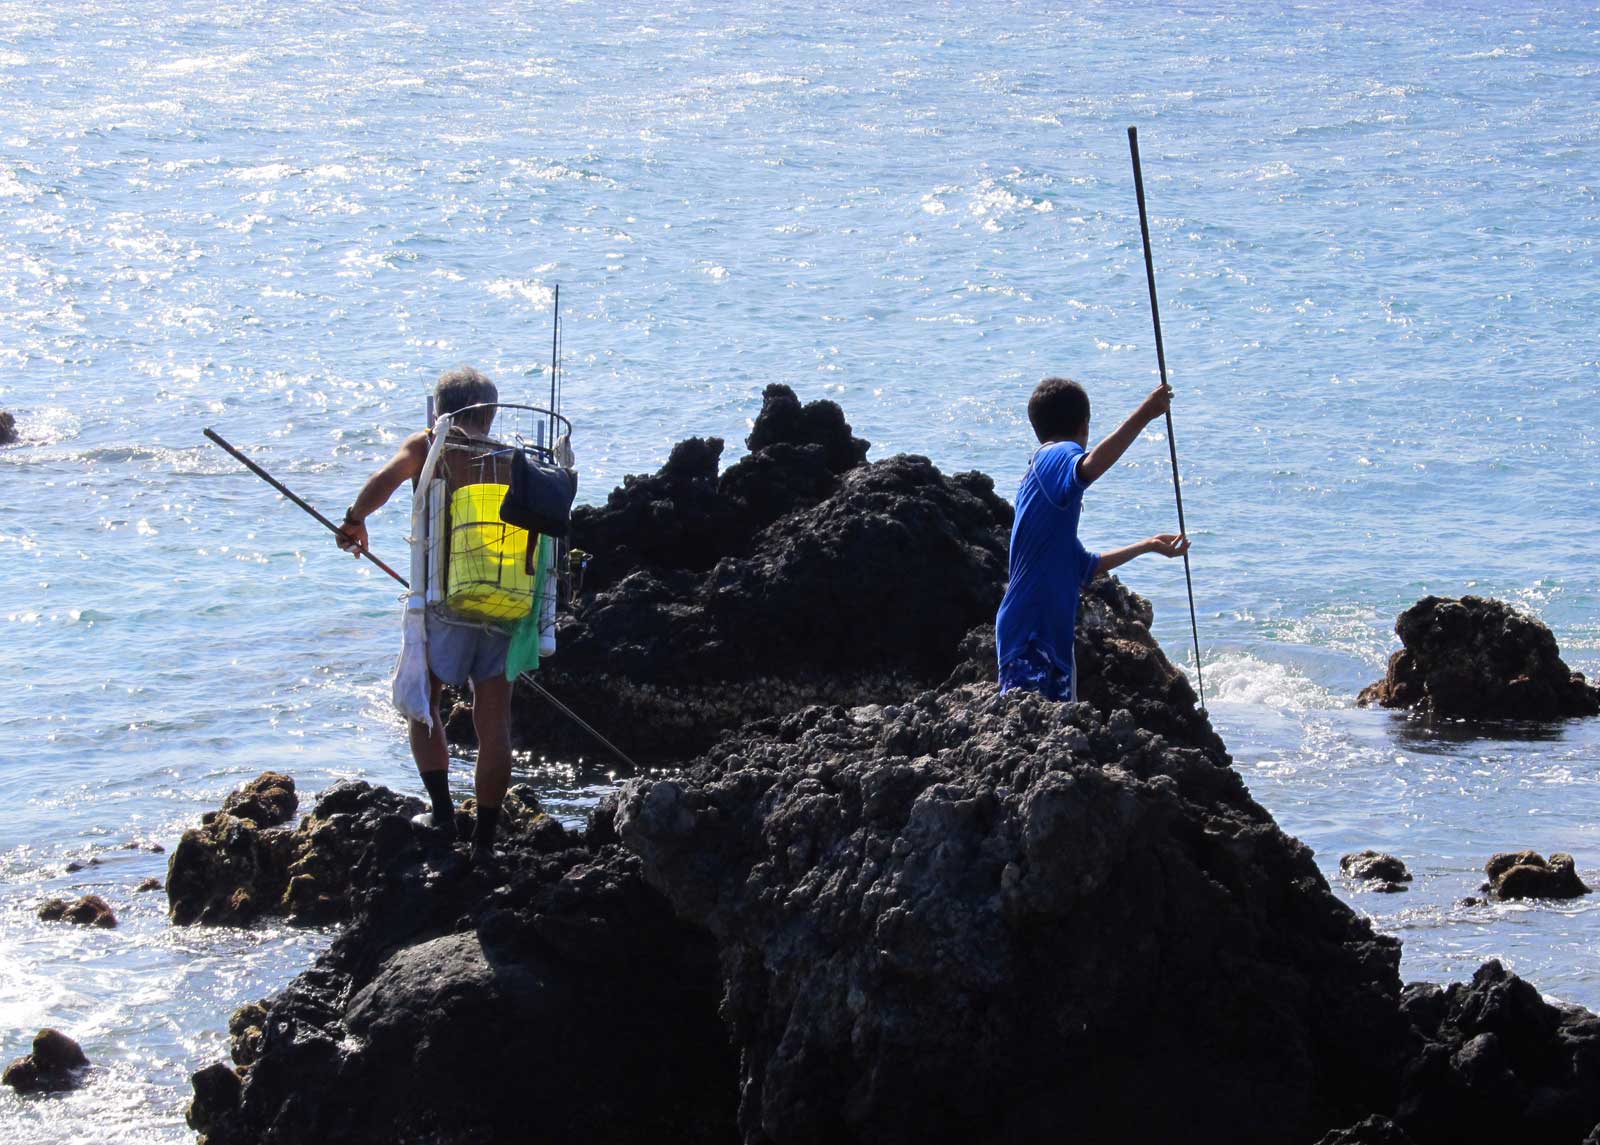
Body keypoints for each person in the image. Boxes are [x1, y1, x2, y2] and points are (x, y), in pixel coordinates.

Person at [335, 366, 514, 858]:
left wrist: (354, 522)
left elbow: (383, 482)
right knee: (494, 722)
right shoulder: (512, 456)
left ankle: (442, 814)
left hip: (445, 603)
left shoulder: (430, 446)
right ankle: (485, 842)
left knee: (423, 700)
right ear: (492, 413)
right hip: (505, 603)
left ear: (439, 411)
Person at [995, 376, 1192, 702]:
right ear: (1084, 425)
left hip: (1045, 635)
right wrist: (1147, 412)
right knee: (1035, 733)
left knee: (1048, 736)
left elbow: (1086, 566)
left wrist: (1147, 546)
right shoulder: (1055, 455)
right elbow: (1088, 468)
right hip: (1032, 633)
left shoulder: (1048, 500)